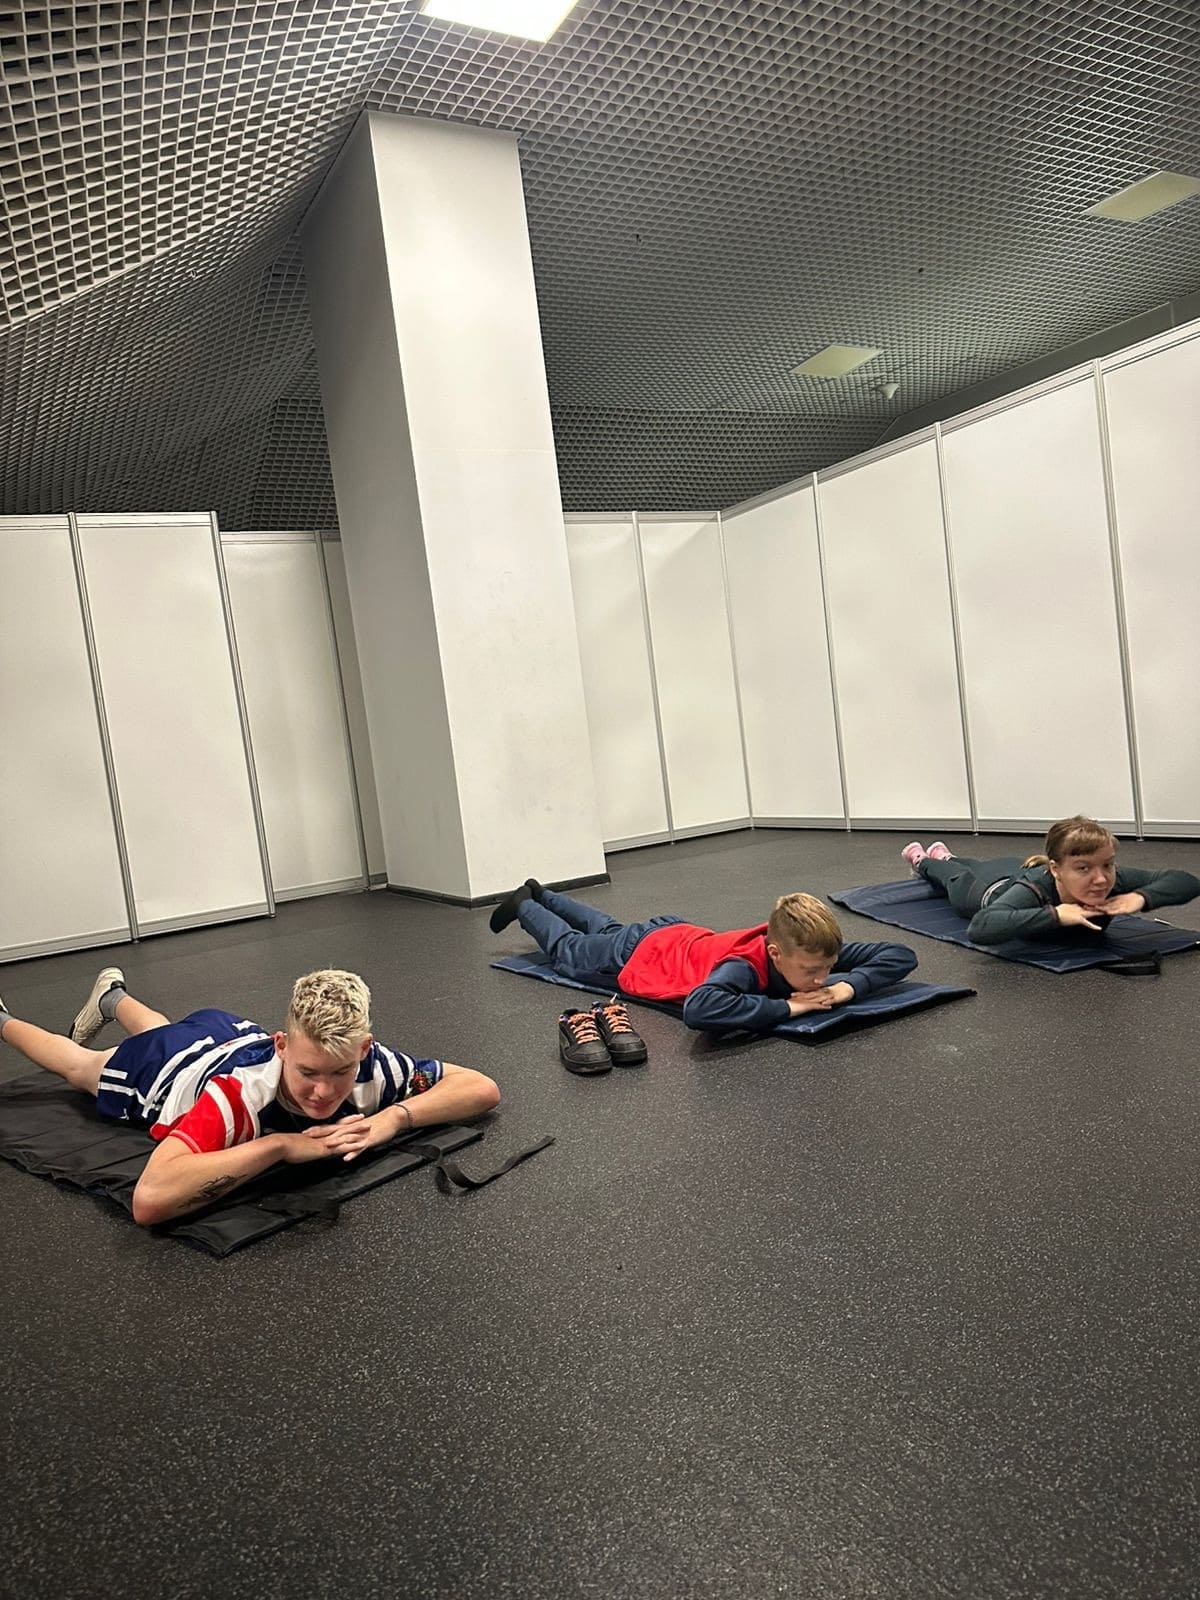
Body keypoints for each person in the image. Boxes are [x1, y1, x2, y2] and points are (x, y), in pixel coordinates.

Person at [0, 966, 500, 1226]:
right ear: (282, 1046)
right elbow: (149, 1200)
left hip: (225, 1033)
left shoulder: (374, 1065)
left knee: (165, 1028)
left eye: (340, 1072)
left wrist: (393, 1119)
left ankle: (112, 998)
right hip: (168, 1069)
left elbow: (480, 1087)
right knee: (81, 1067)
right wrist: (279, 1146)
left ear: (363, 1050)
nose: (324, 1092)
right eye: (307, 1072)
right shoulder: (238, 1099)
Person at [490, 879, 918, 1059]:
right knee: (569, 953)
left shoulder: (810, 951)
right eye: (811, 972)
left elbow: (900, 955)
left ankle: (544, 894)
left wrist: (848, 989)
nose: (821, 979)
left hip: (675, 935)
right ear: (774, 954)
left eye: (828, 969)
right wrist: (791, 1007)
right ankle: (526, 904)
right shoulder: (745, 967)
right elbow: (700, 1009)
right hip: (645, 953)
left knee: (608, 929)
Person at [901, 816, 1200, 946]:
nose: (1100, 879)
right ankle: (924, 861)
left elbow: (1186, 881)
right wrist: (1055, 914)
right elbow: (981, 927)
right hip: (984, 888)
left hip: (1016, 867)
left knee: (971, 863)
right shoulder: (1034, 890)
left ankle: (947, 855)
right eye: (1083, 868)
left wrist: (1141, 897)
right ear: (1056, 870)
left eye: (1107, 865)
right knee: (954, 876)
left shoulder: (1110, 878)